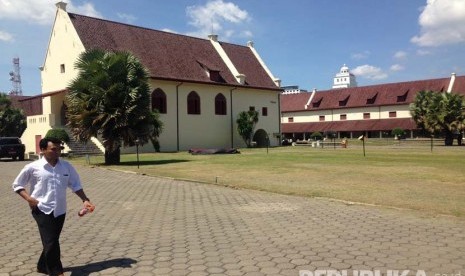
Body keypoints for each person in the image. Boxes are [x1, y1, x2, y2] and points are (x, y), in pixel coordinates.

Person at [12, 137, 95, 276]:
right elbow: (17, 185)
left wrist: (85, 200)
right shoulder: (33, 167)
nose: (58, 152)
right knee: (51, 242)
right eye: (53, 149)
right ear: (43, 150)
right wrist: (29, 199)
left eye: (60, 149)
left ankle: (42, 266)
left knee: (51, 240)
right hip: (41, 209)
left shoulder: (66, 166)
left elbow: (75, 185)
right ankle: (56, 272)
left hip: (60, 210)